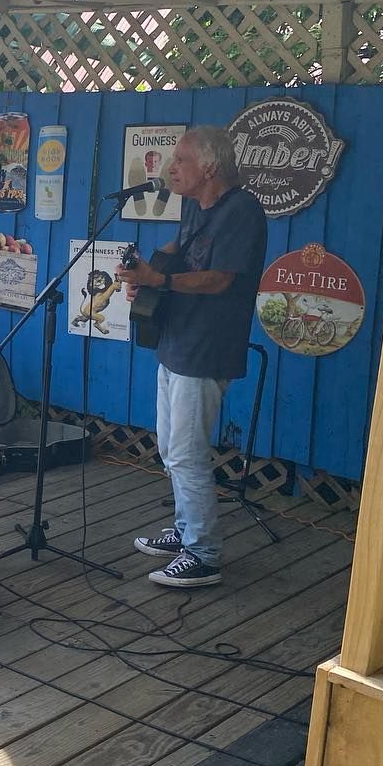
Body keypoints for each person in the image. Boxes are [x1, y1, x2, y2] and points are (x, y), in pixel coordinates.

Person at [116, 126, 267, 589]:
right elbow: (174, 252)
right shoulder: (198, 210)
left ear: (209, 166)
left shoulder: (241, 210)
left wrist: (158, 281)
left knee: (185, 452)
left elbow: (220, 279)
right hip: (177, 343)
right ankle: (186, 532)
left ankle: (203, 554)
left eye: (179, 160)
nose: (169, 168)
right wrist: (141, 271)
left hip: (206, 349)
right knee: (170, 449)